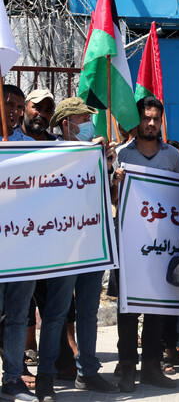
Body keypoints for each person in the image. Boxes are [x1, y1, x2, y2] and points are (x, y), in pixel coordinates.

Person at [35, 97, 120, 401]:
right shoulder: (53, 151)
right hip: (63, 246)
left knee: (88, 312)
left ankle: (89, 371)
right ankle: (45, 375)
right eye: (83, 119)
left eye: (89, 119)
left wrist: (108, 164)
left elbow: (107, 195)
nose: (89, 125)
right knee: (57, 312)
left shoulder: (97, 154)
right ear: (66, 124)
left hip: (93, 243)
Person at [113, 97, 179, 392]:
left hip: (161, 245)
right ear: (137, 120)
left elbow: (178, 197)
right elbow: (113, 201)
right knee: (127, 310)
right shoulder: (121, 155)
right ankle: (127, 367)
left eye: (156, 119)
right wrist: (115, 182)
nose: (151, 123)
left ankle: (152, 367)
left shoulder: (172, 157)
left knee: (157, 307)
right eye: (146, 118)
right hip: (129, 245)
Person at [0, 85, 36, 400]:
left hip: (23, 248)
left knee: (17, 315)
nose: (13, 110)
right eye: (8, 103)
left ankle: (12, 379)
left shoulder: (30, 147)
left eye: (18, 106)